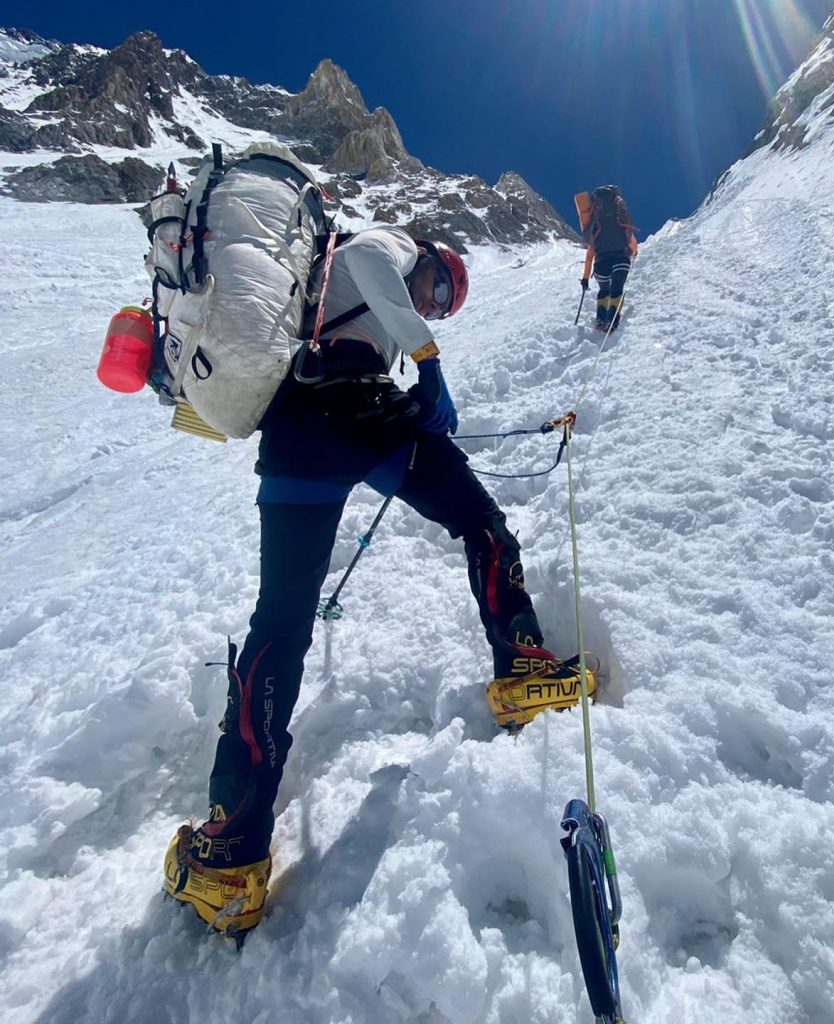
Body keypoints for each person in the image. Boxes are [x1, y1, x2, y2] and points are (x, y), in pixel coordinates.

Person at [163, 226, 594, 938]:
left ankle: (231, 852)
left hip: (301, 433)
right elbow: (367, 261)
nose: (435, 303)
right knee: (480, 522)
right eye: (441, 287)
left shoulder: (352, 301)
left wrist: (415, 375)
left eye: (445, 305)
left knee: (280, 624)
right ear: (426, 255)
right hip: (360, 413)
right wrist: (428, 361)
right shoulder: (387, 245)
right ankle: (522, 665)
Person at [577, 184, 639, 332]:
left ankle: (601, 318)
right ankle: (612, 320)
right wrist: (634, 253)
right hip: (621, 259)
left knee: (604, 289)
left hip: (601, 263)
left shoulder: (596, 226)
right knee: (617, 288)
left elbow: (589, 255)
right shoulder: (619, 221)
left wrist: (585, 278)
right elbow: (631, 241)